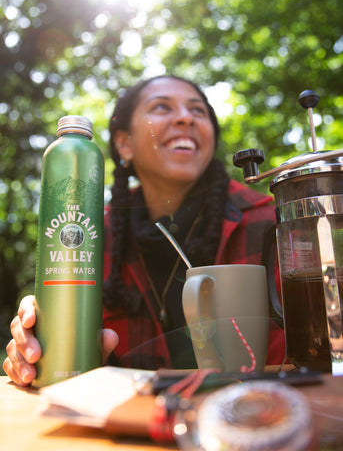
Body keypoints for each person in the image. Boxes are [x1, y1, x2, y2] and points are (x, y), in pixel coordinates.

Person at [3, 75, 285, 386]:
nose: (184, 118)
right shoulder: (97, 234)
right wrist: (37, 347)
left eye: (198, 111)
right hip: (127, 426)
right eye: (162, 107)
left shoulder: (271, 221)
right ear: (125, 144)